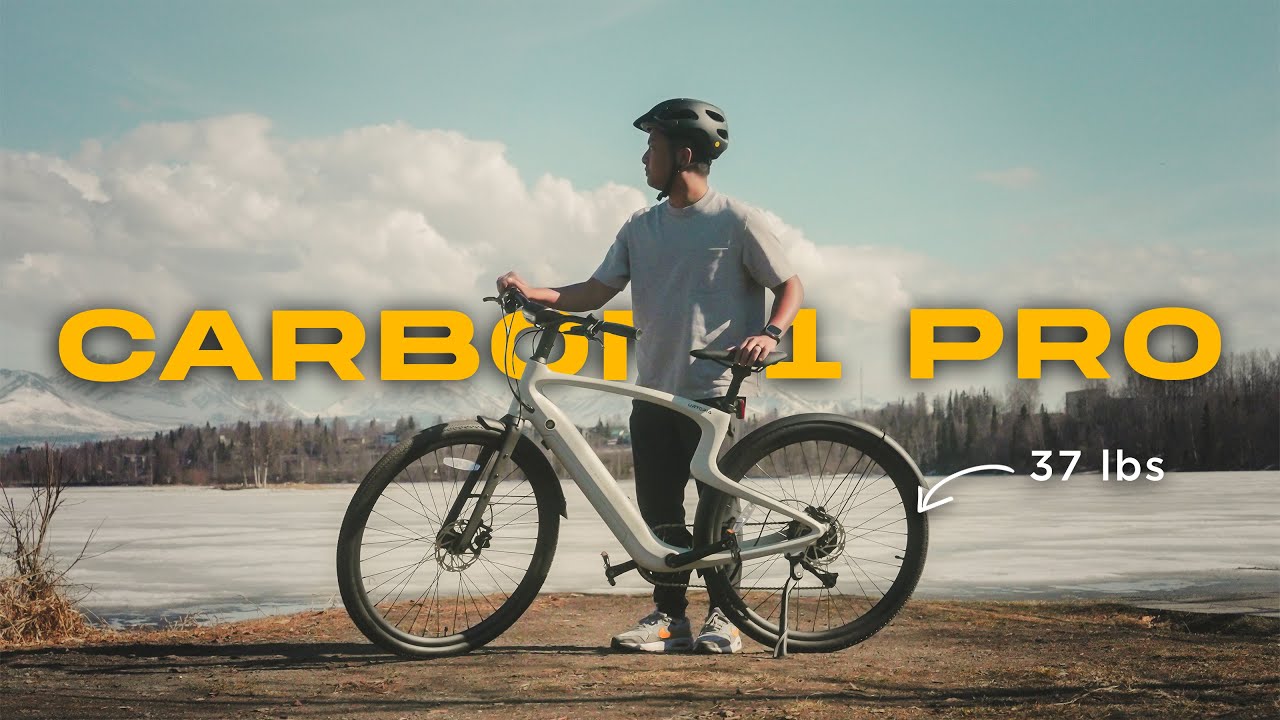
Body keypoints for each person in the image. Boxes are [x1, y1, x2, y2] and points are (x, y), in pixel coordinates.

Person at [496, 98, 803, 654]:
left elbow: (790, 287)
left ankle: (725, 619)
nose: (643, 158)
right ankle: (669, 619)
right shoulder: (641, 226)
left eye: (652, 147)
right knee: (660, 512)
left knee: (717, 514)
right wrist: (535, 293)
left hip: (714, 391)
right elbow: (594, 291)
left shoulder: (737, 220)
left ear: (683, 153)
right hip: (653, 388)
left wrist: (771, 334)